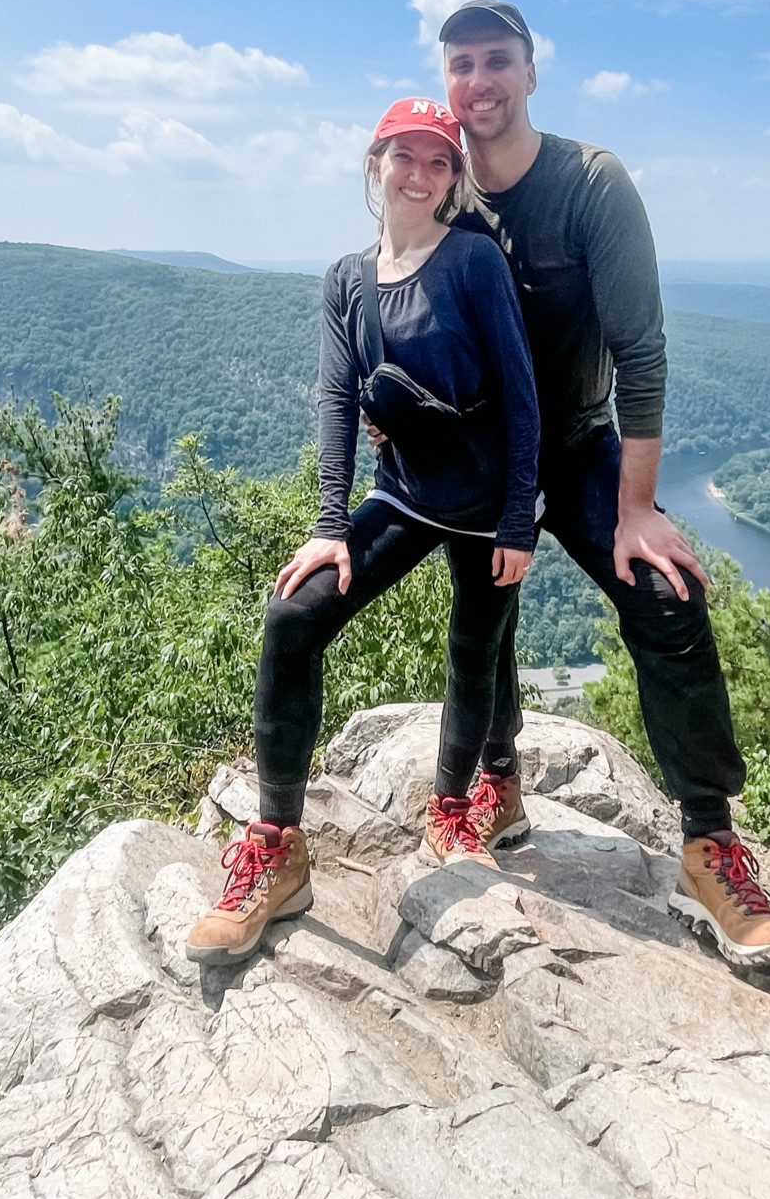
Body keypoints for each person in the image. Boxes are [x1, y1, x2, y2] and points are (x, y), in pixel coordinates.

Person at [435, 0, 770, 972]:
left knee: (669, 595)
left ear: (530, 69)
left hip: (580, 445)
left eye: (496, 60)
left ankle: (707, 840)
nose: (479, 81)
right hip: (484, 456)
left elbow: (641, 352)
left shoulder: (591, 183)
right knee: (485, 620)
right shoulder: (441, 186)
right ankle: (500, 779)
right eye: (462, 63)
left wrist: (638, 510)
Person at [186, 96, 541, 967]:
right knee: (294, 618)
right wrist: (328, 526)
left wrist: (518, 518)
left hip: (488, 496)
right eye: (404, 156)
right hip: (408, 492)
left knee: (476, 647)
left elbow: (522, 394)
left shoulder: (472, 260)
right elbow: (339, 400)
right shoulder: (347, 276)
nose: (419, 173)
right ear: (374, 164)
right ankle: (278, 845)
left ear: (454, 178)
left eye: (438, 160)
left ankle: (465, 800)